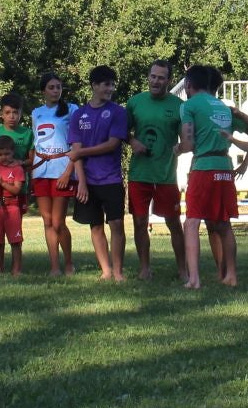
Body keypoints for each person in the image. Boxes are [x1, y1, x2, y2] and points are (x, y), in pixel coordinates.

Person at [178, 64, 244, 290]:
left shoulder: (189, 105)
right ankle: (231, 275)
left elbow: (188, 144)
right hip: (225, 166)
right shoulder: (224, 107)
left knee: (192, 222)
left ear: (188, 84)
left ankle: (194, 279)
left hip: (204, 166)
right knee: (223, 223)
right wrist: (245, 163)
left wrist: (176, 149)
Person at [124, 63, 187, 281]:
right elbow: (122, 131)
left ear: (169, 81)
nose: (155, 81)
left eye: (161, 78)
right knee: (140, 222)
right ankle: (144, 268)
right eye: (152, 76)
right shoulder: (135, 102)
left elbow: (185, 139)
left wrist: (182, 147)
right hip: (139, 174)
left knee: (173, 222)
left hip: (166, 175)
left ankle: (183, 269)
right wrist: (133, 141)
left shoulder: (179, 106)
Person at [67, 65, 129, 282]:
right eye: (106, 84)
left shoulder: (118, 112)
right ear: (94, 85)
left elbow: (112, 144)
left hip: (111, 178)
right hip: (88, 180)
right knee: (95, 225)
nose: (110, 89)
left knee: (116, 224)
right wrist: (81, 183)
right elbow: (75, 152)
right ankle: (106, 271)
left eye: (112, 85)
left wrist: (81, 152)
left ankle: (118, 272)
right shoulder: (78, 115)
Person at [28, 73, 78, 277]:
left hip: (62, 168)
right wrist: (31, 170)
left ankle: (69, 264)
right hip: (41, 170)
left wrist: (69, 171)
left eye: (58, 87)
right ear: (43, 91)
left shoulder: (72, 110)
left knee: (58, 222)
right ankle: (55, 267)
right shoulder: (36, 113)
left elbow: (76, 144)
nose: (56, 91)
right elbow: (36, 143)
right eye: (51, 87)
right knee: (47, 221)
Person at [0, 133, 28, 276]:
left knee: (15, 241)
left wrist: (2, 182)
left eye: (7, 154)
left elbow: (17, 190)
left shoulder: (17, 169)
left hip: (12, 207)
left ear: (13, 152)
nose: (3, 157)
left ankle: (17, 270)